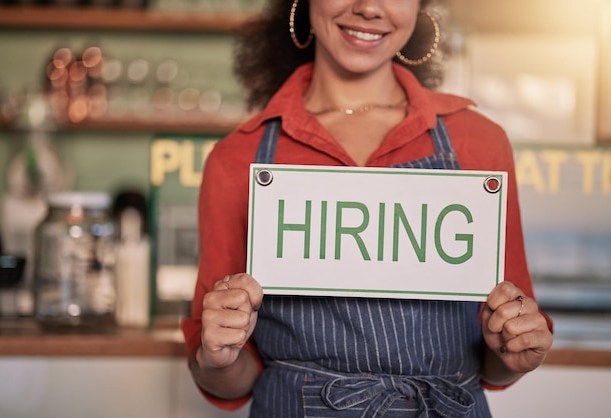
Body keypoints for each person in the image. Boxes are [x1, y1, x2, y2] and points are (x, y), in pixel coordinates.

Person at [181, 0, 554, 416]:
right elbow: (230, 380)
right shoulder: (238, 158)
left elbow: (501, 357)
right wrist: (217, 355)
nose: (369, 7)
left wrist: (513, 352)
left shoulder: (479, 143)